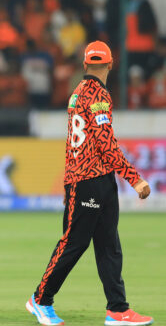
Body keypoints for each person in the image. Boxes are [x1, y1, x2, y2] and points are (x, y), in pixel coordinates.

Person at [26, 41, 153, 326]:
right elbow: (106, 144)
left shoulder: (76, 93)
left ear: (85, 65)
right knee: (75, 243)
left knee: (108, 245)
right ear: (110, 64)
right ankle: (40, 299)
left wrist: (68, 181)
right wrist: (135, 178)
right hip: (90, 180)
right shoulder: (99, 95)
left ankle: (118, 310)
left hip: (90, 178)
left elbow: (73, 142)